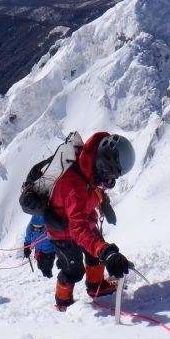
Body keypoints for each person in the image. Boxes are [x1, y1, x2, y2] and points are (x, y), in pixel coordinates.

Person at [45, 132, 135, 311]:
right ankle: (62, 303)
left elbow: (93, 186)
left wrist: (105, 204)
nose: (112, 180)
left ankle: (96, 288)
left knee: (96, 252)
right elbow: (77, 229)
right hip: (63, 231)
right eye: (111, 176)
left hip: (84, 219)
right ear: (104, 167)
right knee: (73, 270)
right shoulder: (74, 186)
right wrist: (106, 252)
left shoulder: (90, 163)